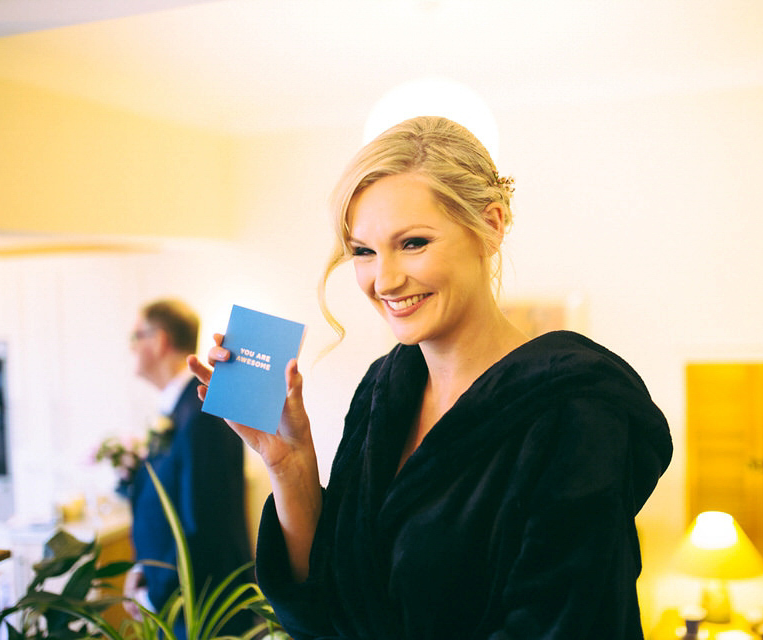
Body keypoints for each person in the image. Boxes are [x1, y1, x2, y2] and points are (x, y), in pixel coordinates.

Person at [189, 116, 673, 639]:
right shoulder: (382, 390)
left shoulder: (574, 411)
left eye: (414, 242)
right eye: (364, 251)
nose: (385, 279)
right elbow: (325, 612)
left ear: (492, 224)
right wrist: (290, 465)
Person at [123, 298, 252, 634]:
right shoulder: (177, 410)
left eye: (136, 336)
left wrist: (159, 595)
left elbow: (201, 523)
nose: (131, 346)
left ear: (160, 340)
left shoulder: (202, 415)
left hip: (202, 606)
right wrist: (143, 569)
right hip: (180, 596)